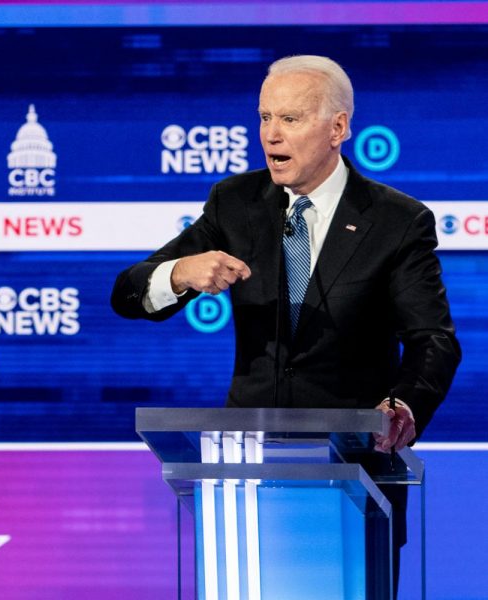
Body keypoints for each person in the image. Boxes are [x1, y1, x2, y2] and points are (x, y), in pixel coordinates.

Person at [111, 55, 460, 593]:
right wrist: (179, 272)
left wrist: (404, 406)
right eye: (264, 117)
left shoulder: (397, 220)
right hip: (247, 470)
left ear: (338, 128)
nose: (271, 134)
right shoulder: (237, 203)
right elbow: (129, 294)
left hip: (357, 477)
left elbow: (433, 340)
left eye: (291, 119)